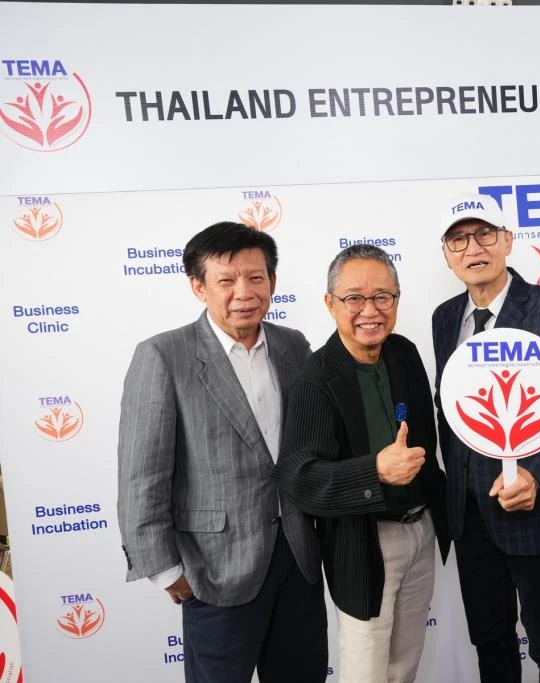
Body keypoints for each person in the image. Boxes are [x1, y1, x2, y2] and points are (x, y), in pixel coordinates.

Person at [116, 222, 327, 683]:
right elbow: (141, 474)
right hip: (214, 569)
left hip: (299, 560)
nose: (243, 293)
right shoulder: (163, 355)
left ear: (272, 281)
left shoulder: (293, 345)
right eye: (226, 280)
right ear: (199, 286)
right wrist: (165, 570)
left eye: (256, 277)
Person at [272, 244, 448, 683]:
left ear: (397, 299)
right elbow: (297, 476)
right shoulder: (316, 378)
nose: (370, 310)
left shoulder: (404, 353)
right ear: (330, 303)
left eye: (382, 296)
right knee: (365, 670)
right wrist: (376, 472)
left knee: (404, 665)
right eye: (354, 298)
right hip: (364, 542)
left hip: (421, 529)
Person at [432, 193, 540, 682]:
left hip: (534, 508)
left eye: (485, 234)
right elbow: (450, 408)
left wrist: (535, 478)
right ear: (447, 254)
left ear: (507, 241)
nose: (473, 248)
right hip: (469, 514)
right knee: (490, 640)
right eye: (459, 240)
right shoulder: (444, 317)